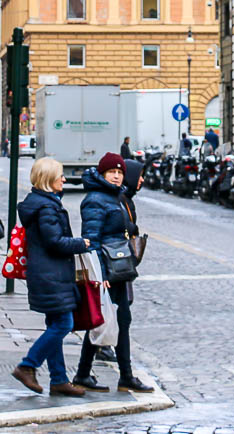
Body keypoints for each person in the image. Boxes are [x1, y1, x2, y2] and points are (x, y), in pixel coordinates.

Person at [73, 153, 153, 393]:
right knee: (109, 320)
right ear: (103, 174)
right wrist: (100, 276)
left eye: (119, 172)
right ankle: (118, 375)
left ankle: (86, 373)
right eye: (112, 172)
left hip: (118, 268)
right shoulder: (96, 200)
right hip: (107, 270)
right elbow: (92, 240)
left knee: (114, 320)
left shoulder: (114, 197)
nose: (117, 176)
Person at [11, 157, 91, 397]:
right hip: (51, 274)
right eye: (60, 176)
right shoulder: (46, 207)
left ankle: (58, 379)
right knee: (63, 324)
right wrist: (81, 243)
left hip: (47, 273)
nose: (64, 180)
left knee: (55, 324)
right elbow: (53, 241)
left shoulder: (42, 203)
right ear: (48, 180)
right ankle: (28, 365)